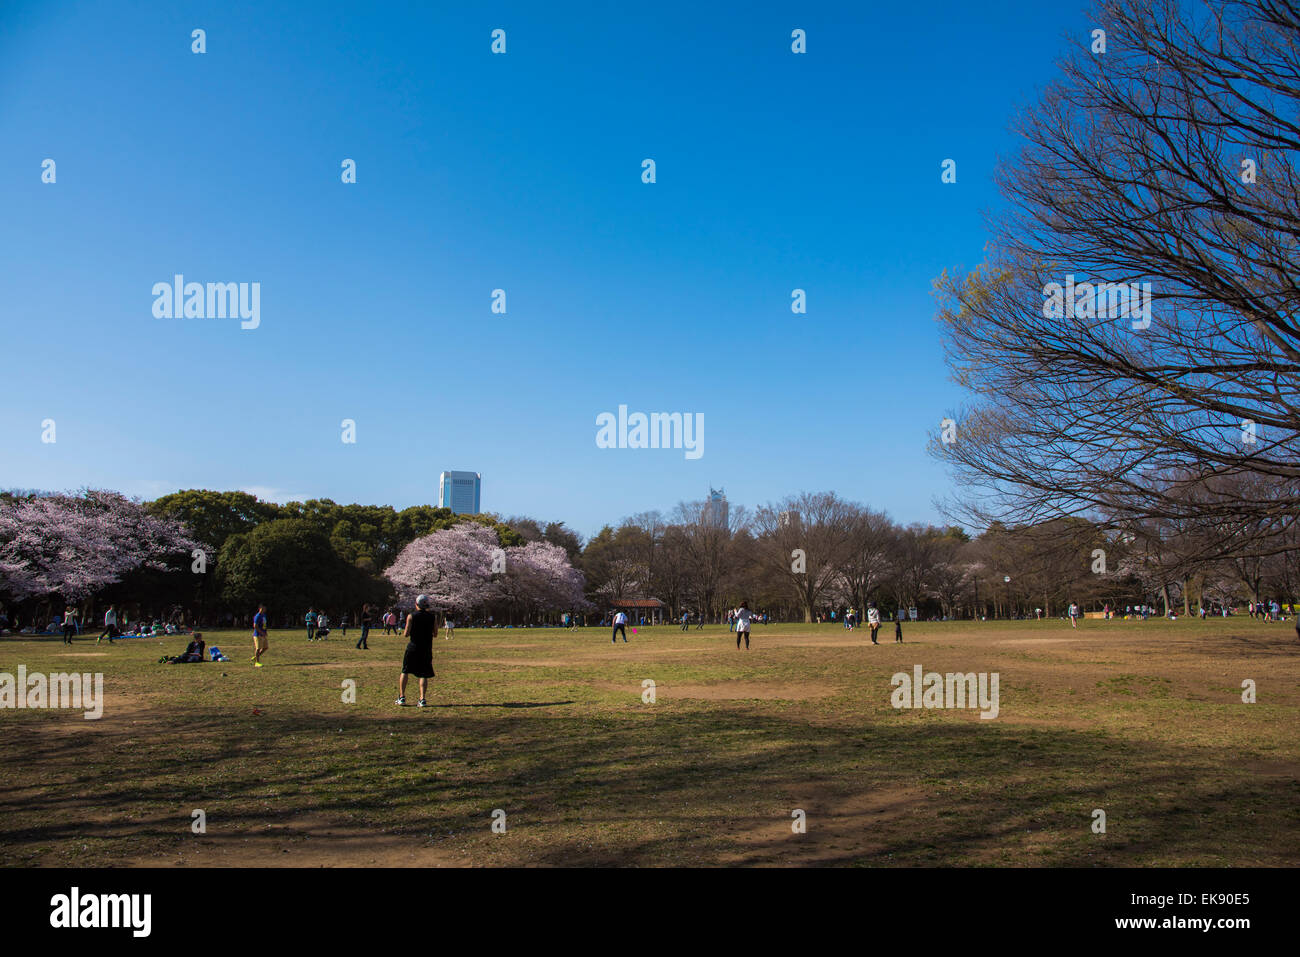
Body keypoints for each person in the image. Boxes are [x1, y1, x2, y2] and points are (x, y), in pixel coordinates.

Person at [397, 595, 438, 707]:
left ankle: (402, 697)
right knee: (424, 674)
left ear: (416, 604)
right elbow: (435, 634)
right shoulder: (432, 617)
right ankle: (422, 699)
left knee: (405, 671)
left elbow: (406, 634)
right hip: (426, 648)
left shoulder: (411, 616)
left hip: (413, 647)